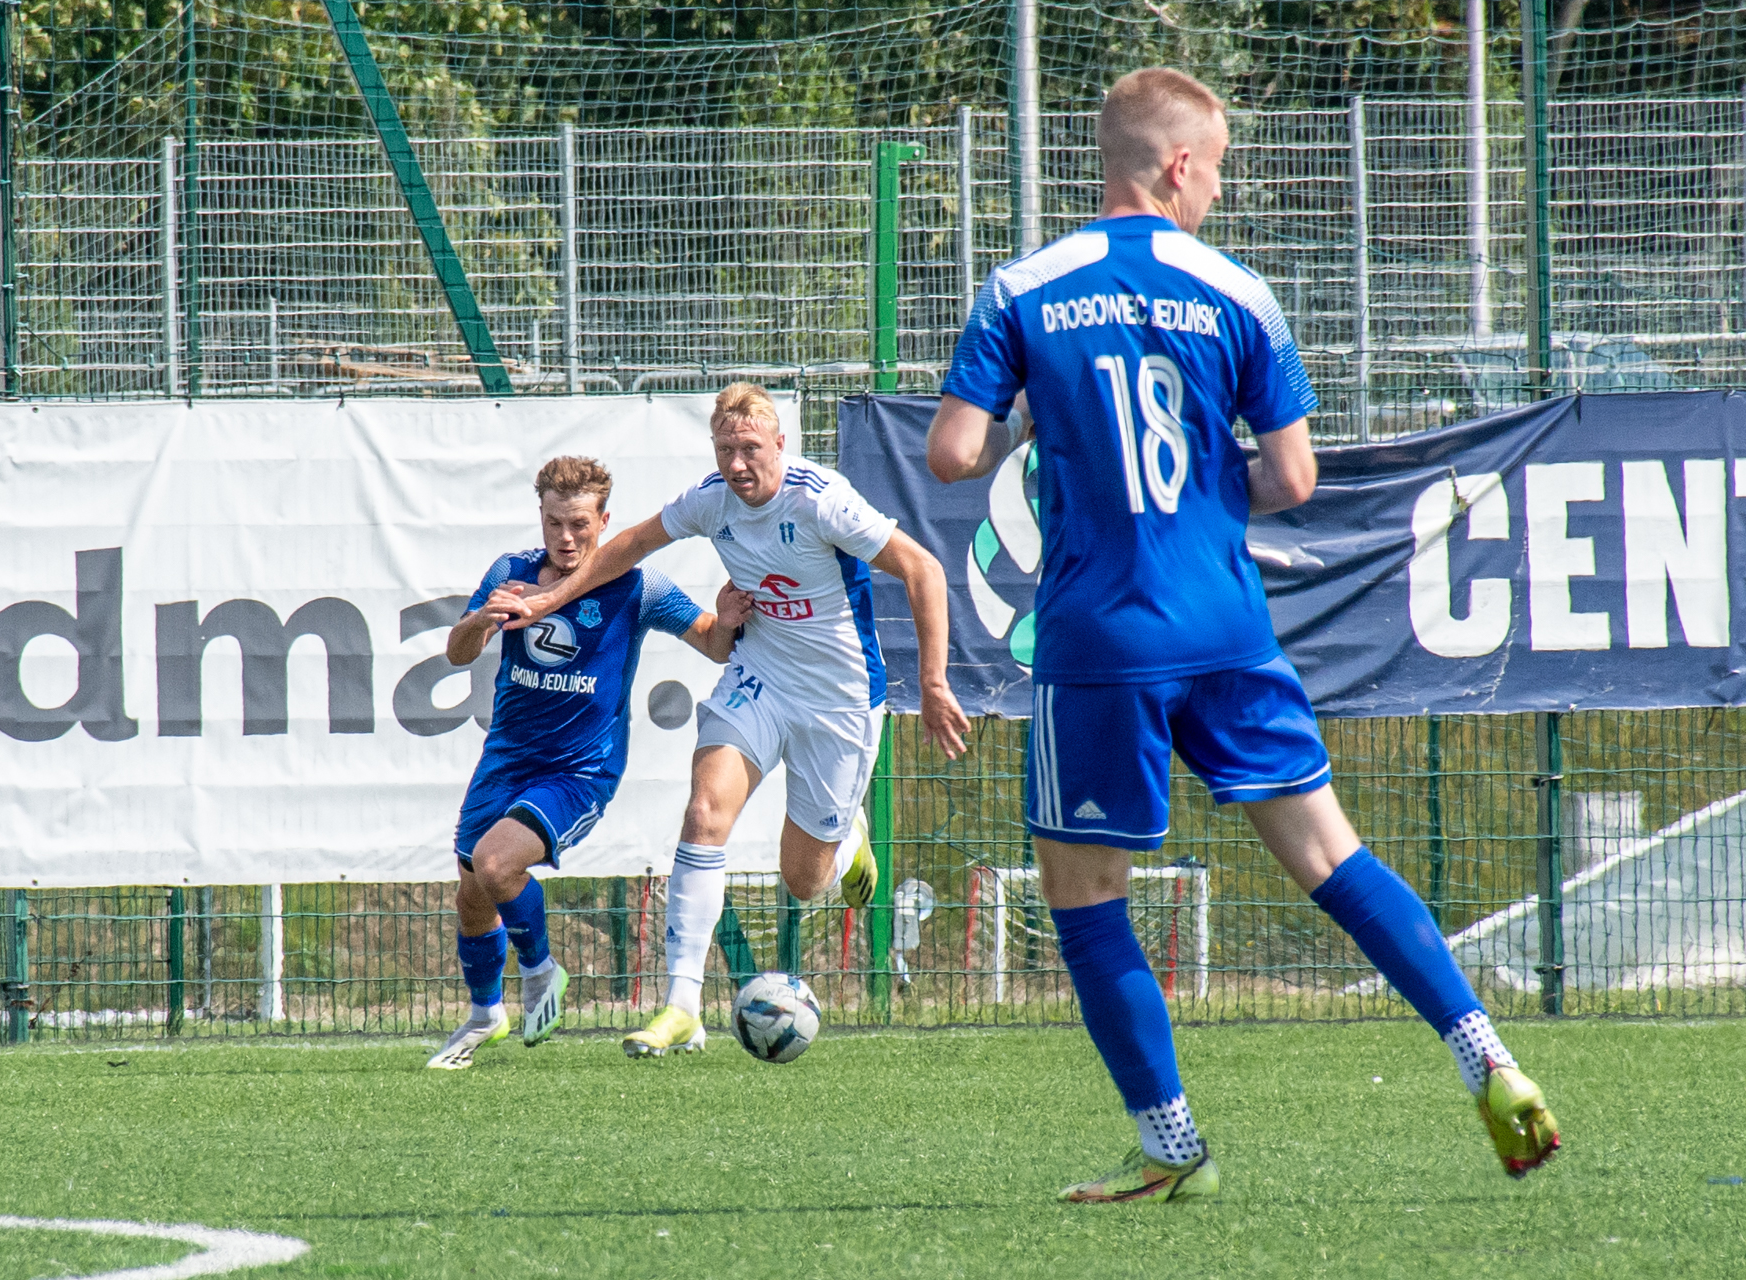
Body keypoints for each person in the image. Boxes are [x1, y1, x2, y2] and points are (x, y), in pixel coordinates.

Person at [927, 67, 1558, 1200]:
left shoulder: (1023, 286)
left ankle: (1172, 1145)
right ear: (1178, 166)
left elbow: (951, 454)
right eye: (1216, 169)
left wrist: (1038, 433)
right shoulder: (1239, 292)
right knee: (1333, 856)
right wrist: (1206, 493)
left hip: (1100, 638)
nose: (1217, 189)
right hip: (1228, 625)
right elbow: (1294, 477)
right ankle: (1488, 1055)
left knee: (1086, 897)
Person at [510, 383, 970, 1058]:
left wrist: (932, 682)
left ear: (780, 444)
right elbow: (630, 544)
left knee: (804, 880)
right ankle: (682, 1007)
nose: (737, 463)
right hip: (760, 677)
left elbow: (923, 569)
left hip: (839, 700)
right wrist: (549, 599)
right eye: (725, 449)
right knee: (704, 813)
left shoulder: (821, 500)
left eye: (750, 448)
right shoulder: (712, 499)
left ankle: (847, 844)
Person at [427, 455, 750, 1069]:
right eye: (554, 523)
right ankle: (485, 1015)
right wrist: (484, 618)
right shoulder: (512, 572)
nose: (567, 538)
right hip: (506, 758)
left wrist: (727, 619)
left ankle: (541, 971)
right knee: (472, 893)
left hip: (578, 770)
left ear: (604, 521)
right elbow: (457, 653)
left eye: (579, 524)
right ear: (541, 518)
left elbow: (711, 643)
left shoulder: (638, 587)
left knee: (496, 864)